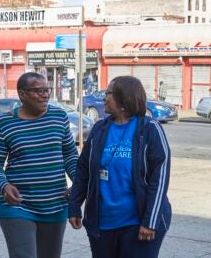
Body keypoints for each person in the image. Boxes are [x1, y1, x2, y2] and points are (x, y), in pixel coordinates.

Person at [68, 76, 171, 258]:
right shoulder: (99, 129)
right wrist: (75, 205)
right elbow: (83, 169)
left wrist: (150, 221)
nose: (104, 98)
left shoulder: (150, 129)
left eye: (108, 93)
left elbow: (160, 177)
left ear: (125, 98)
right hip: (102, 224)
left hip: (138, 222)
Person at [0, 72, 78, 258]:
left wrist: (78, 183)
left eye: (47, 90)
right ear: (22, 94)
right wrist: (4, 186)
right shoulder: (6, 122)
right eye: (38, 90)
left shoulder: (59, 116)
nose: (45, 95)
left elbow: (70, 155)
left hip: (56, 205)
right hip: (18, 207)